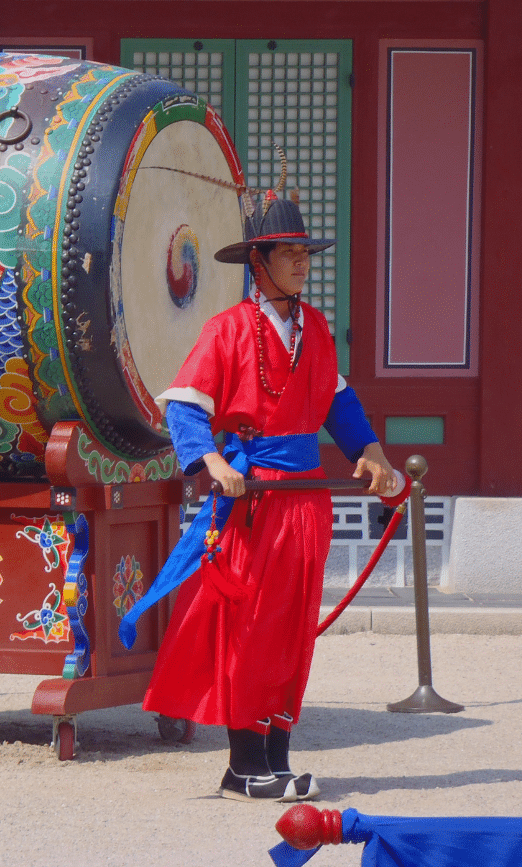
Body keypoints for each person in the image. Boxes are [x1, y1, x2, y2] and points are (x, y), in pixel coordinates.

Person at [118, 185, 401, 803]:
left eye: (305, 251)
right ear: (258, 261)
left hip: (306, 502)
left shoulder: (317, 329)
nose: (301, 261)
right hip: (254, 502)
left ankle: (275, 758)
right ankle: (245, 764)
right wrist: (214, 462)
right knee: (252, 628)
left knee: (293, 631)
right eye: (287, 251)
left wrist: (372, 456)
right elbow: (186, 406)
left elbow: (338, 403)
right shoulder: (227, 330)